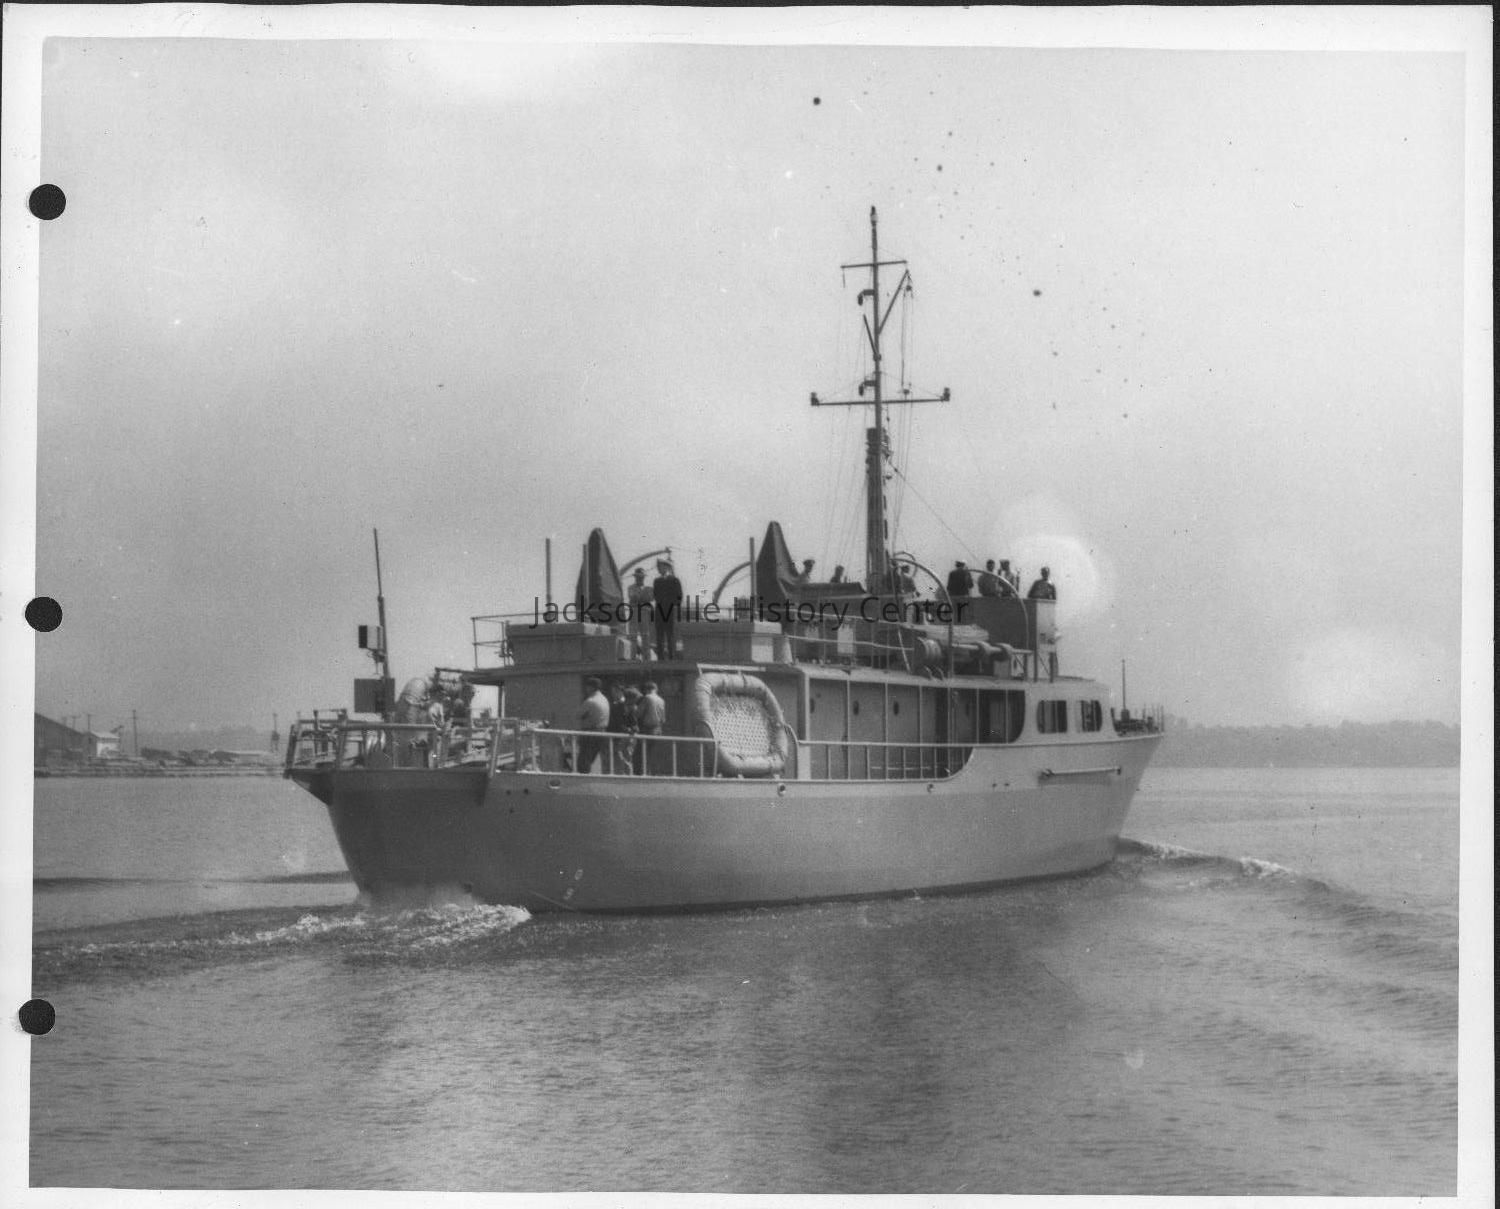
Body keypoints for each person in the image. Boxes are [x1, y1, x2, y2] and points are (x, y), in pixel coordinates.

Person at [651, 560, 683, 661]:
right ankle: (660, 658)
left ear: (666, 567)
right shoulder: (657, 581)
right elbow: (655, 595)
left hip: (670, 610)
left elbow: (679, 596)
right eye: (658, 567)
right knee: (659, 634)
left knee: (670, 634)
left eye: (660, 567)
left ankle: (671, 657)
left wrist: (672, 604)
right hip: (659, 610)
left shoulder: (675, 580)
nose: (658, 569)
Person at [576, 676, 609, 773]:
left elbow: (578, 715)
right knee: (593, 760)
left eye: (587, 686)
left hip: (590, 733)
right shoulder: (604, 699)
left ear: (591, 687)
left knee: (583, 761)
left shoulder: (590, 701)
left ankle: (583, 779)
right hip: (602, 732)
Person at [637, 681, 666, 774]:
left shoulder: (647, 698)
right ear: (656, 689)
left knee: (645, 753)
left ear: (647, 689)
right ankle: (654, 773)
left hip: (648, 729)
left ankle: (645, 773)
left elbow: (638, 713)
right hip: (658, 729)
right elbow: (663, 719)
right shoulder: (661, 700)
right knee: (654, 753)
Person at [608, 684, 636, 775]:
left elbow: (621, 721)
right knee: (623, 757)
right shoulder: (618, 705)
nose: (612, 694)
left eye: (614, 692)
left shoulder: (623, 706)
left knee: (622, 757)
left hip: (622, 736)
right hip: (623, 735)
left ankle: (624, 776)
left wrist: (627, 729)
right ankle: (625, 774)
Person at [627, 566, 653, 658]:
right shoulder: (631, 588)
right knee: (633, 636)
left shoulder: (648, 588)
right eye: (637, 577)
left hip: (645, 614)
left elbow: (650, 598)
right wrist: (643, 598)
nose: (639, 578)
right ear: (635, 577)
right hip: (634, 614)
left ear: (644, 577)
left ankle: (647, 659)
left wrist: (641, 597)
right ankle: (633, 657)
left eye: (641, 577)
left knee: (646, 636)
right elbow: (633, 597)